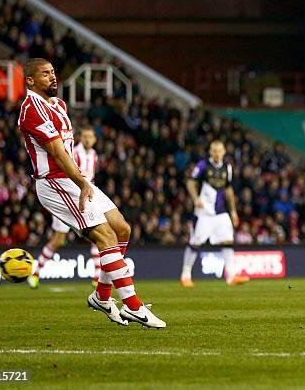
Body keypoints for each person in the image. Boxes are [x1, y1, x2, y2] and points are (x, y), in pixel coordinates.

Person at [17, 58, 165, 328]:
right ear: (30, 80)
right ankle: (133, 305)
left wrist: (83, 181)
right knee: (105, 236)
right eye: (45, 74)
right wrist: (83, 183)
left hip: (76, 179)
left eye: (53, 72)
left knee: (122, 229)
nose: (53, 77)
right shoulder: (31, 110)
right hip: (55, 182)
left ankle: (102, 296)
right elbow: (59, 153)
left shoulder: (59, 105)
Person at [28, 126, 101, 289]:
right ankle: (35, 273)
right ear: (80, 138)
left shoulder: (94, 155)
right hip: (66, 197)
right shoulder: (74, 153)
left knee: (97, 235)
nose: (88, 139)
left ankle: (97, 277)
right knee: (58, 240)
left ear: (95, 139)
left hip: (84, 199)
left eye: (91, 136)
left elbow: (91, 179)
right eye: (85, 136)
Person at [180, 140, 249, 287]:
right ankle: (185, 275)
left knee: (228, 240)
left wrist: (233, 211)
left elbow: (228, 190)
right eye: (214, 151)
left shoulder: (227, 167)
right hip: (204, 211)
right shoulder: (203, 165)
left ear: (224, 152)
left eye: (219, 151)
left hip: (221, 211)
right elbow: (190, 182)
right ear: (210, 152)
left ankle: (231, 276)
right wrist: (195, 198)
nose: (217, 154)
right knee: (196, 242)